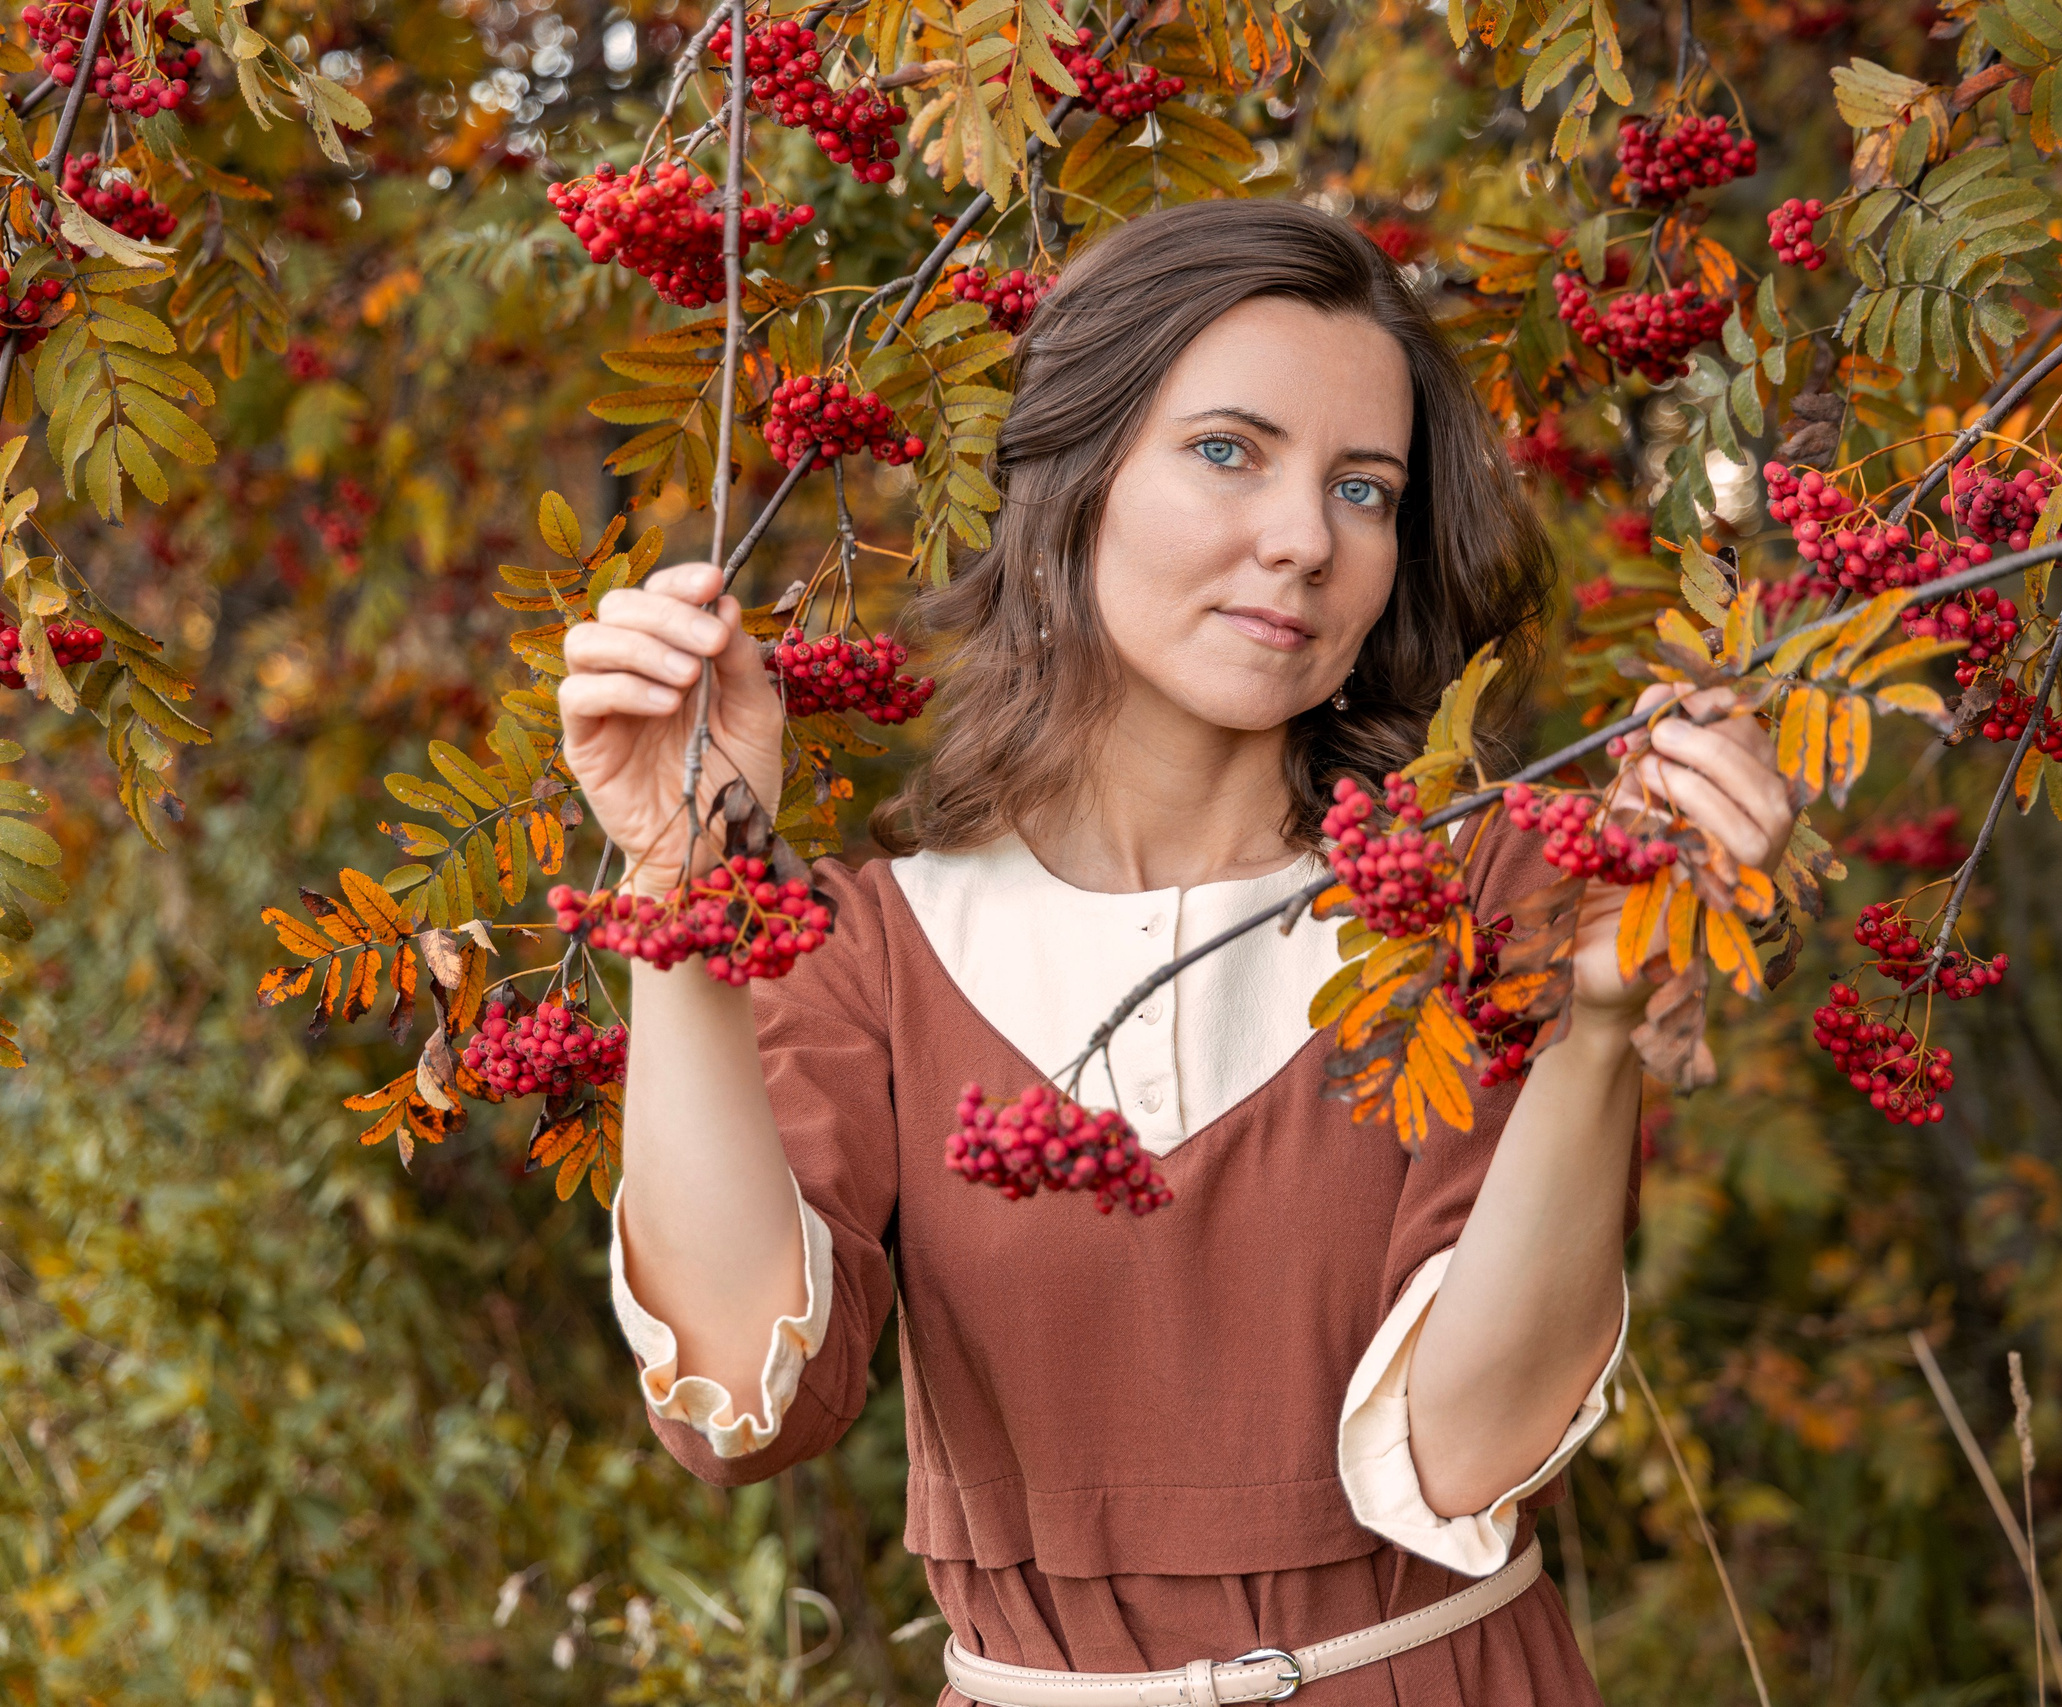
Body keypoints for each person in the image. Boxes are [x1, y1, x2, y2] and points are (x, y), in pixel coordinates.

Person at [558, 198, 1794, 1706]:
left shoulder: (1482, 901)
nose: (1303, 539)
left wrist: (1600, 1031)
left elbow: (1467, 1452)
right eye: (1229, 451)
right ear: (1070, 483)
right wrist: (677, 884)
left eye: (1363, 489)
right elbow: (740, 1406)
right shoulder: (875, 947)